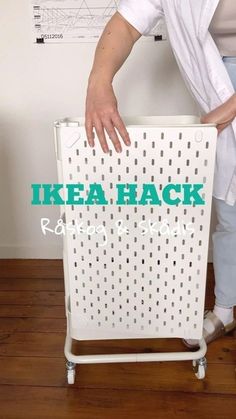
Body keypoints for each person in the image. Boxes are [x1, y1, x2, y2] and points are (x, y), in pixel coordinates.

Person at [85, 0, 236, 348]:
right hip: (220, 81)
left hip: (227, 97)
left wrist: (229, 108)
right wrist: (99, 80)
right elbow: (124, 25)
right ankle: (226, 309)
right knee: (229, 206)